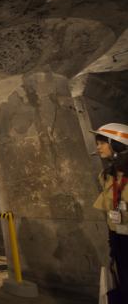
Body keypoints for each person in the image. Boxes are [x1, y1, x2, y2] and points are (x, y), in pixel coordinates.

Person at [92, 123, 128, 304]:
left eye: (102, 142)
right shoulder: (106, 175)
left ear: (118, 144)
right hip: (118, 237)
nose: (98, 147)